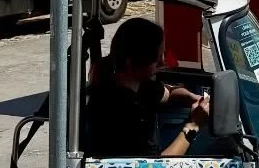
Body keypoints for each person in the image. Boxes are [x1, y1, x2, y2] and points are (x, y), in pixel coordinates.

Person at [84, 18, 209, 157]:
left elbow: (168, 93)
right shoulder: (120, 112)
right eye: (157, 58)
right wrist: (193, 126)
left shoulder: (139, 85)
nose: (162, 62)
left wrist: (192, 98)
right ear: (132, 63)